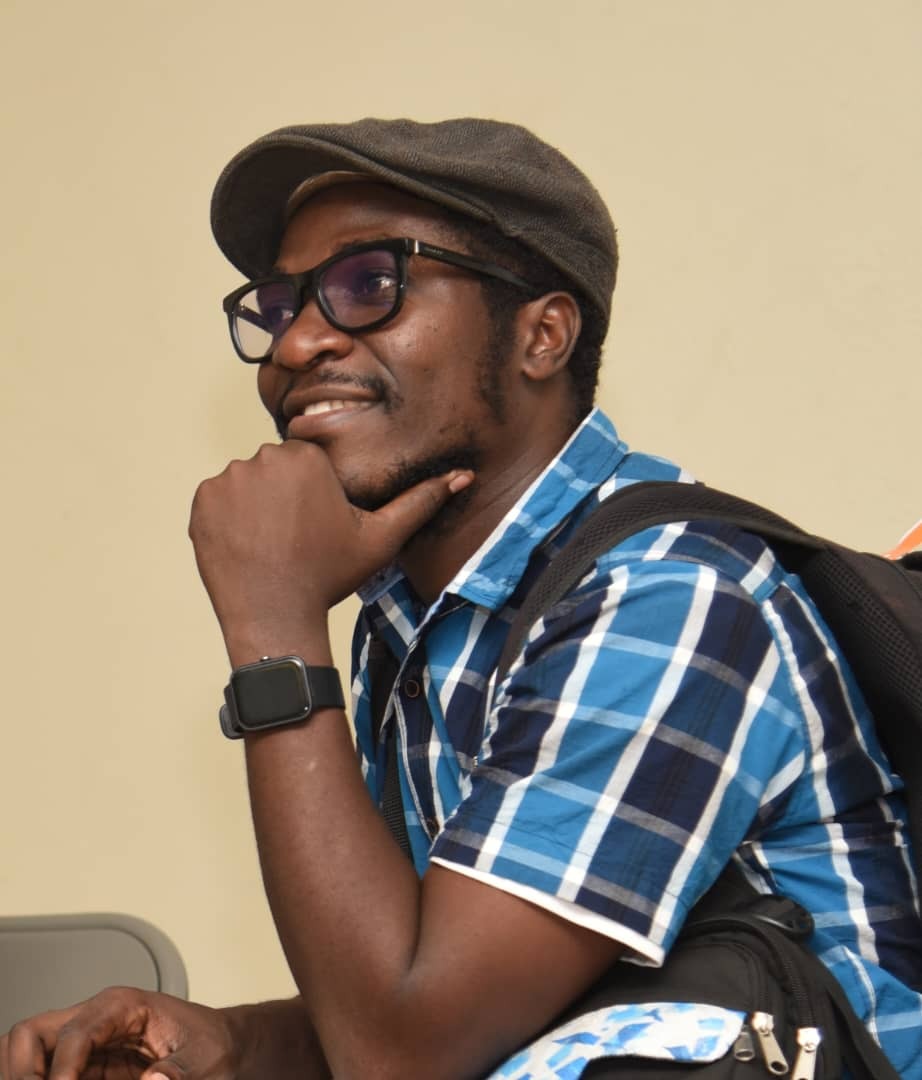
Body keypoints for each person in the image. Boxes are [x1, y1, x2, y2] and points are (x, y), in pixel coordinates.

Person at [1, 118, 919, 1080]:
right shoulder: (415, 622)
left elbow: (407, 1053)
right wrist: (231, 1045)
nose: (297, 342)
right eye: (280, 304)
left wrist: (274, 631)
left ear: (541, 336)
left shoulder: (668, 593)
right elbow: (466, 997)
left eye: (370, 284)